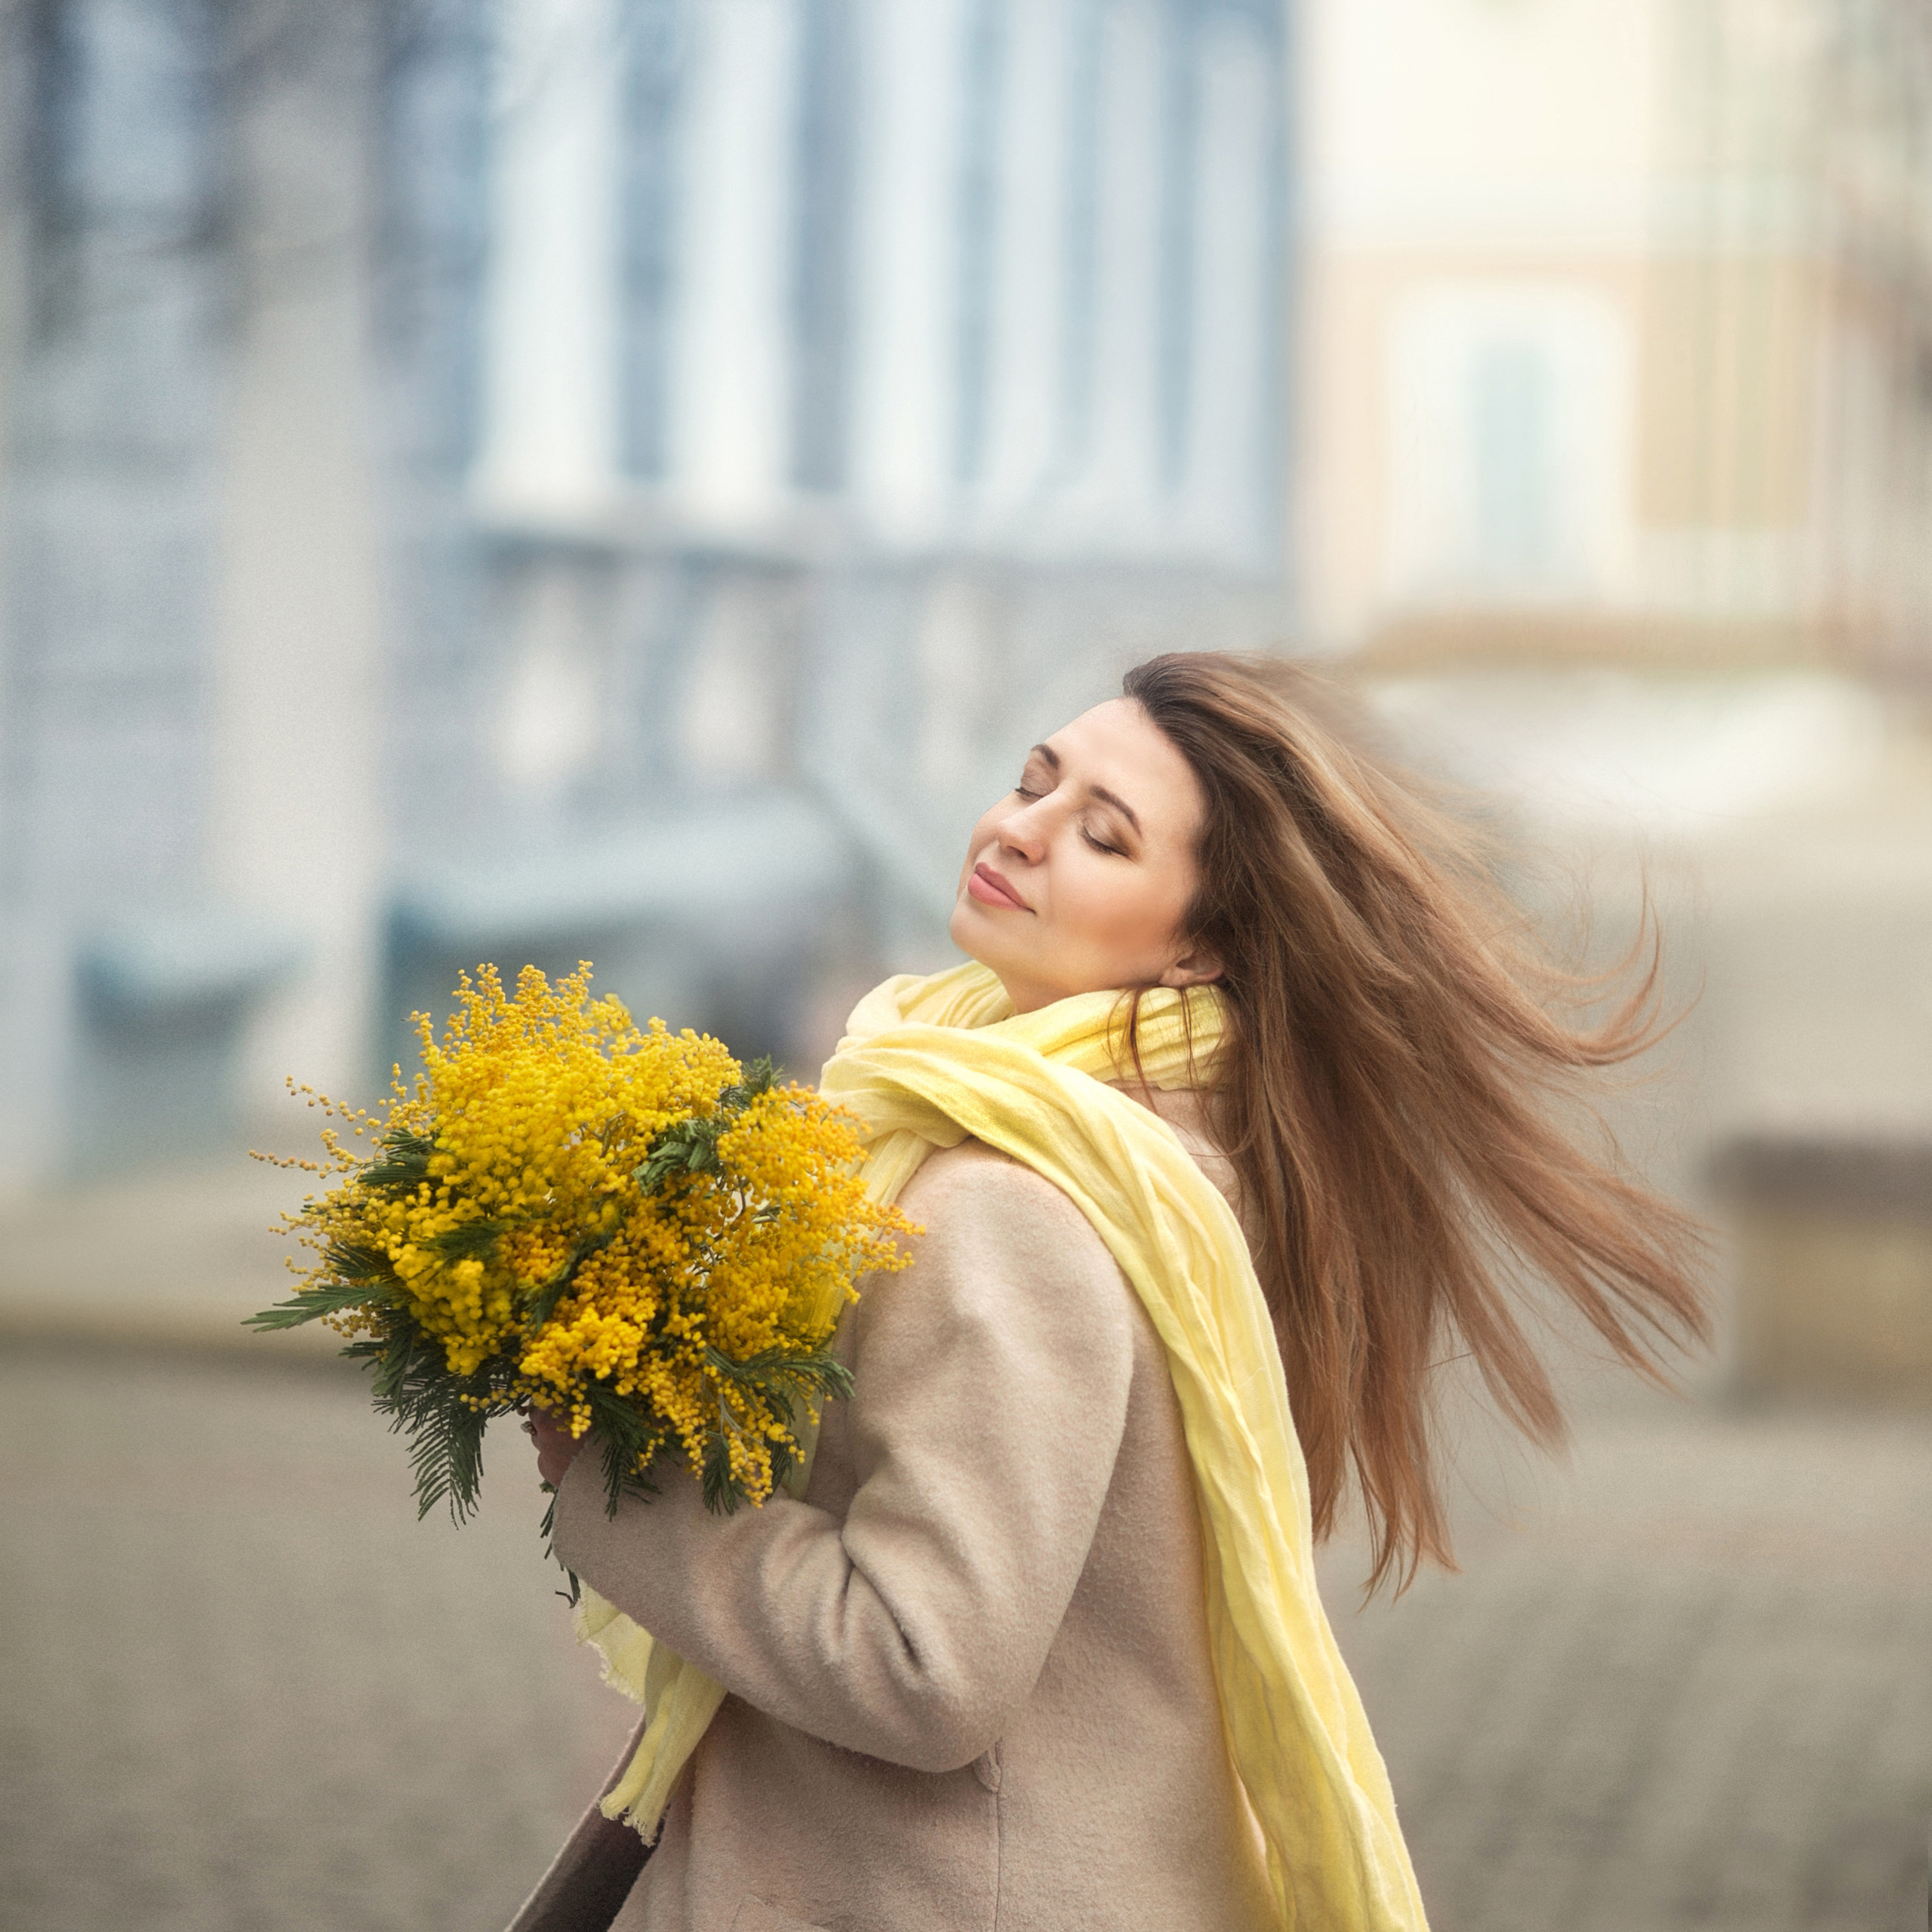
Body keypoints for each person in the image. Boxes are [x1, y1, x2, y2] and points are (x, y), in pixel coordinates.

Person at [512, 651, 1706, 1932]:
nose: (1021, 831)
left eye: (1103, 834)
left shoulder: (1011, 1208)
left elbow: (926, 1667)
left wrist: (616, 1482)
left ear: (1198, 945)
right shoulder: (1169, 1171)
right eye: (1035, 780)